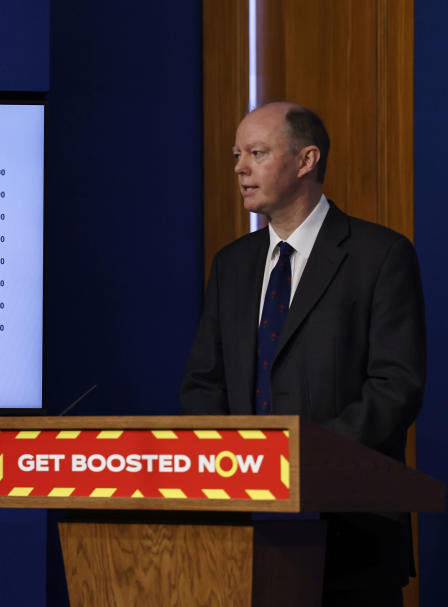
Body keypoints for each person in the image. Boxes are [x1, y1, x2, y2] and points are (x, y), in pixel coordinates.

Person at [180, 101, 426, 606]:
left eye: (257, 152)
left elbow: (395, 387)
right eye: (236, 154)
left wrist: (298, 461)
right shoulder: (232, 265)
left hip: (352, 534)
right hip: (243, 536)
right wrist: (232, 464)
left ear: (306, 160)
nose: (239, 168)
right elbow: (205, 384)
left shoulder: (380, 256)